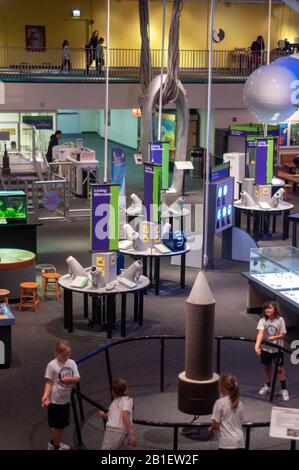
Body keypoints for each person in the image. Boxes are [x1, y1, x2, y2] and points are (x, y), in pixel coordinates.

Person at [41, 340, 80, 450]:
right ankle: (56, 446)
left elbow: (77, 378)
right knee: (58, 426)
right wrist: (45, 396)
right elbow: (49, 382)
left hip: (66, 401)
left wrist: (69, 379)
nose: (67, 357)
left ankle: (53, 443)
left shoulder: (71, 363)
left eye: (69, 354)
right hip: (55, 401)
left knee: (59, 426)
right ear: (57, 353)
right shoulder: (52, 365)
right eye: (64, 355)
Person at [255, 300, 289, 401]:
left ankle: (284, 389)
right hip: (266, 349)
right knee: (267, 367)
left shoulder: (280, 320)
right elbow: (260, 333)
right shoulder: (262, 320)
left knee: (280, 369)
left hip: (277, 350)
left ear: (274, 309)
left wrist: (274, 338)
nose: (267, 310)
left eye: (269, 308)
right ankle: (267, 386)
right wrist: (257, 346)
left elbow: (283, 334)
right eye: (266, 308)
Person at [208, 373, 245, 450]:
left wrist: (211, 428)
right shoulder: (240, 403)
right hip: (240, 442)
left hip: (226, 443)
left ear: (222, 388)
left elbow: (216, 425)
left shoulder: (219, 403)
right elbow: (241, 420)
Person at [99, 378, 137, 450]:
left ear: (113, 391)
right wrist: (104, 415)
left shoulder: (127, 400)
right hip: (116, 430)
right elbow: (112, 416)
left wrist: (131, 434)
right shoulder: (115, 402)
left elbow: (124, 414)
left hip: (115, 430)